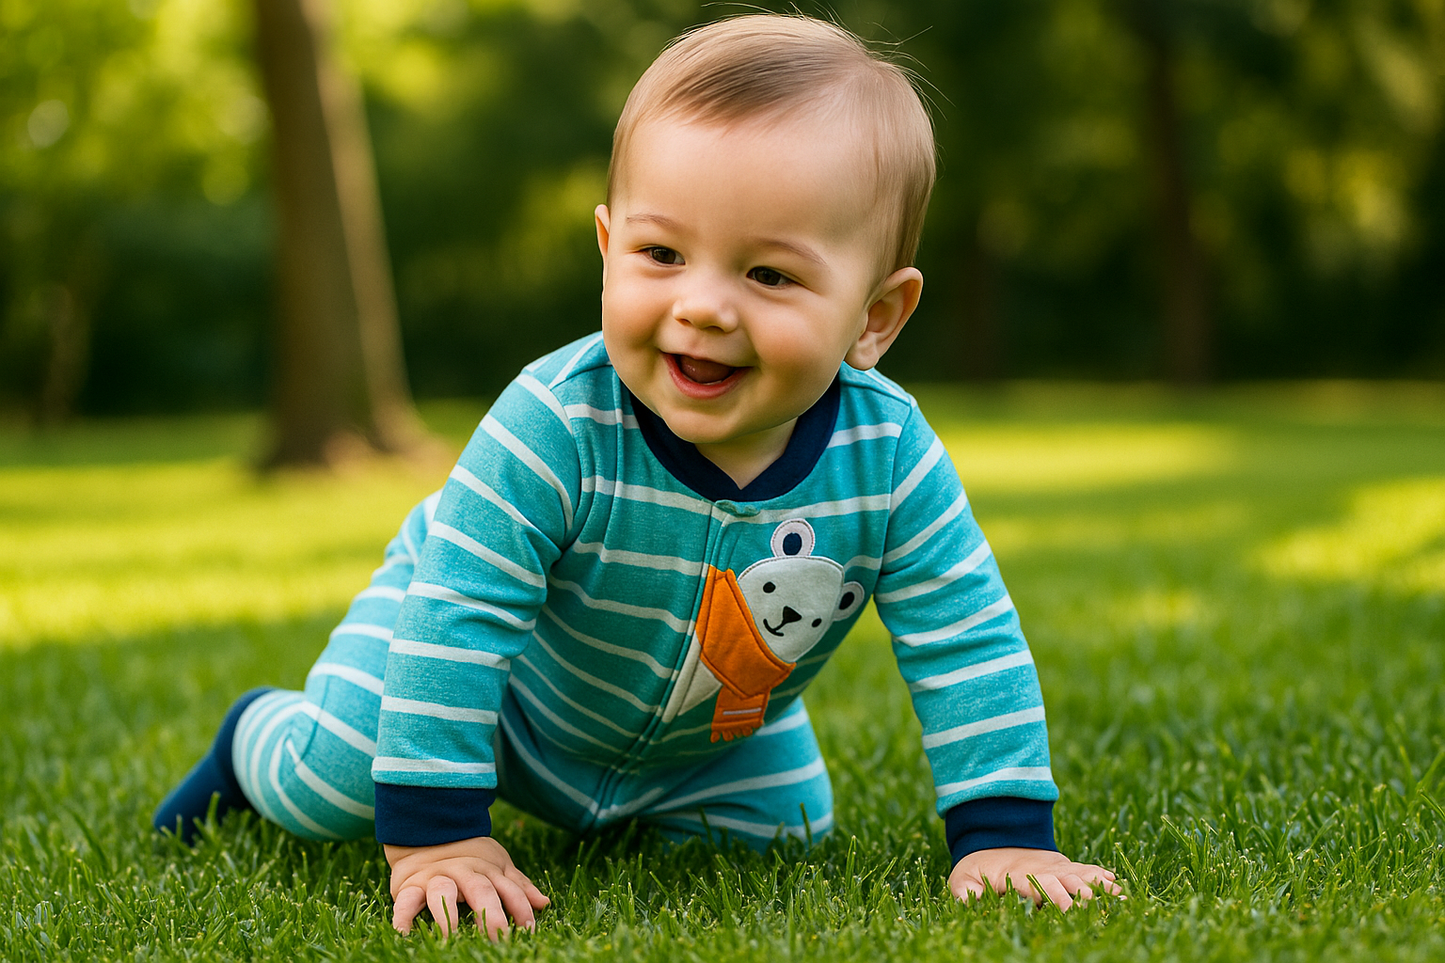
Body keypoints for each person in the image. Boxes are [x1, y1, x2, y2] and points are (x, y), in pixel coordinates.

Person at [153, 13, 1121, 938]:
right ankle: (254, 742)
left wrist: (1002, 841)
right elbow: (461, 610)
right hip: (498, 693)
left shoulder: (891, 461)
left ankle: (638, 801)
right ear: (610, 250)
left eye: (769, 276)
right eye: (662, 254)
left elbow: (964, 638)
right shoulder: (555, 420)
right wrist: (438, 834)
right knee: (331, 781)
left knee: (780, 840)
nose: (700, 307)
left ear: (874, 317)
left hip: (707, 737)